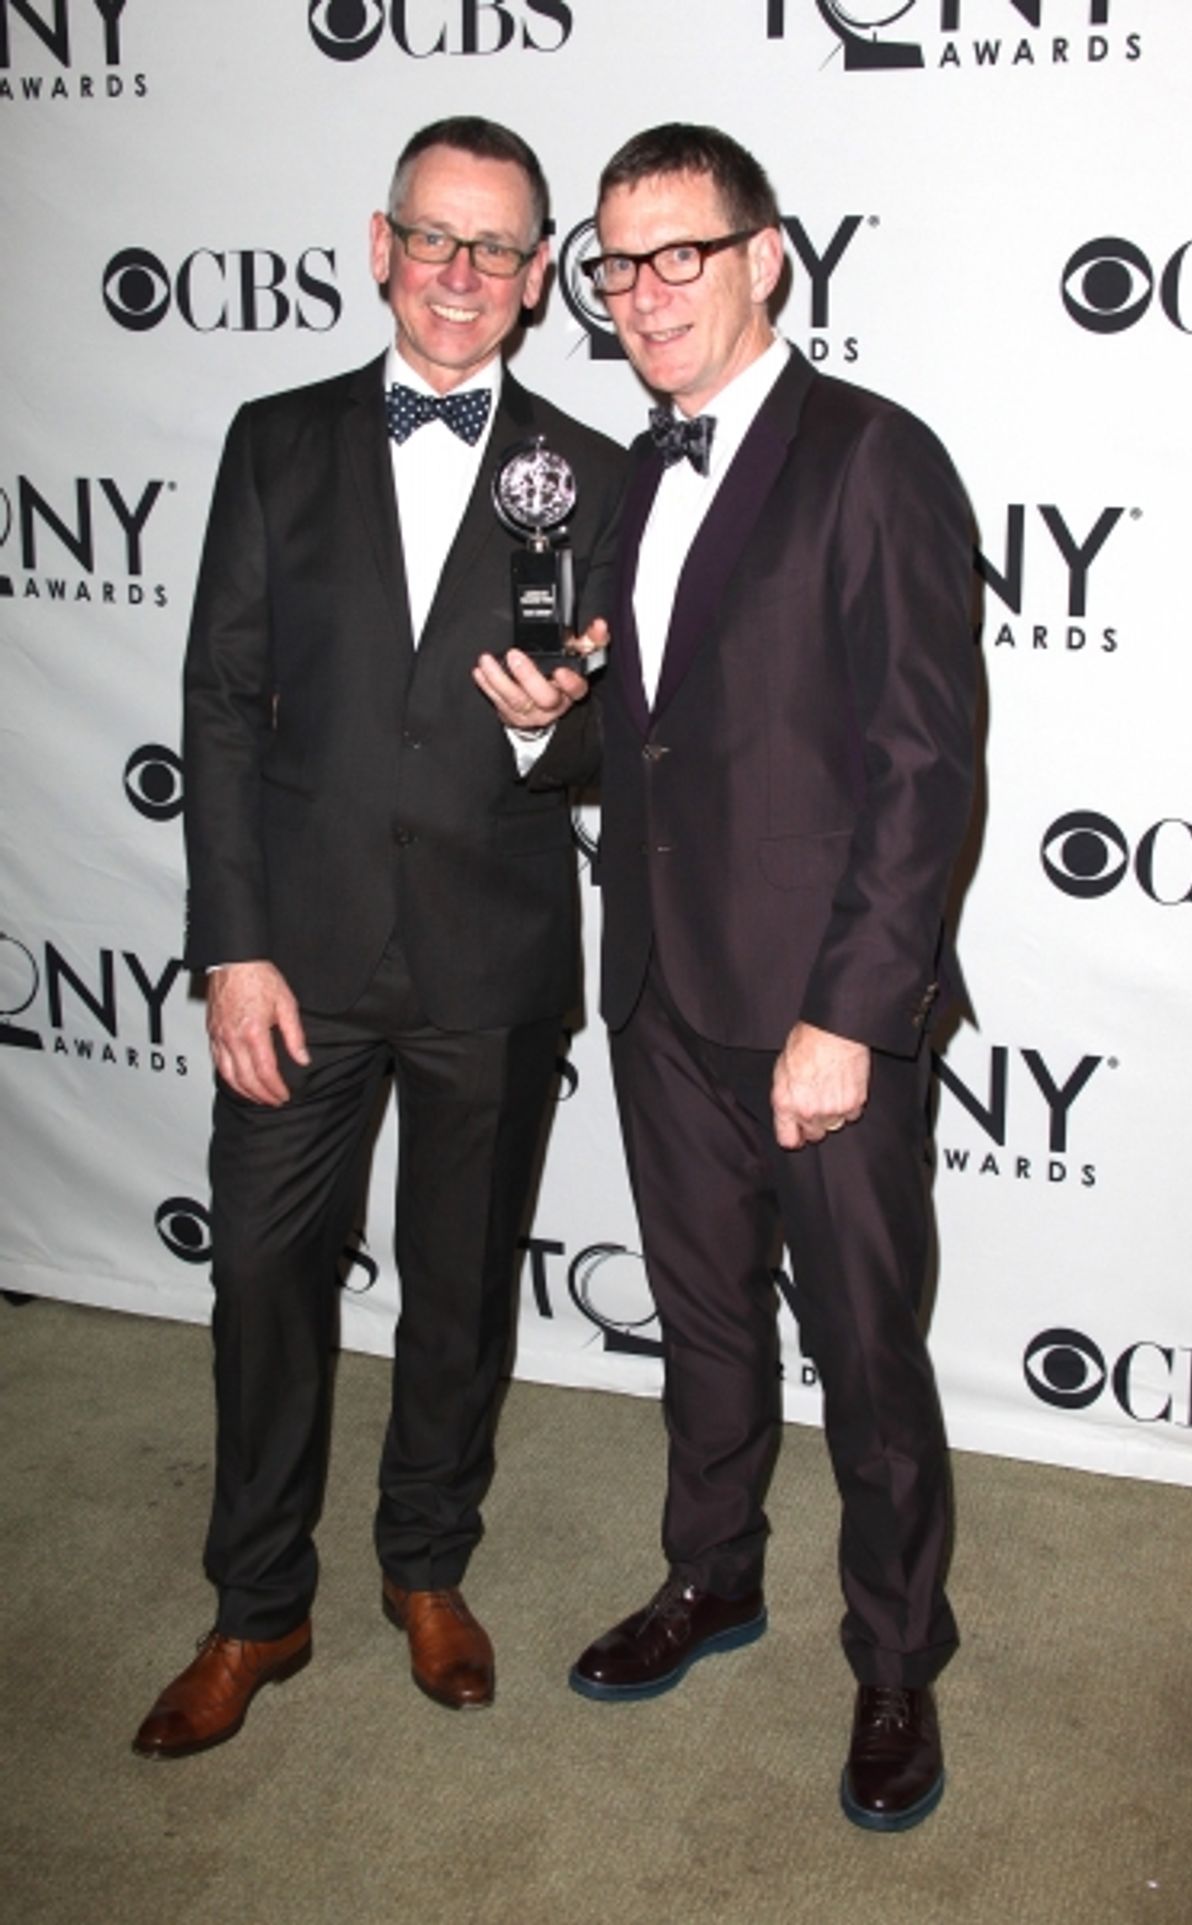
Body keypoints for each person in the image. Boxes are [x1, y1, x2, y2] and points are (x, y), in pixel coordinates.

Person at [474, 124, 977, 1832]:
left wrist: (849, 1012)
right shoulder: (634, 472)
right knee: (703, 1326)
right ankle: (715, 1575)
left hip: (823, 1013)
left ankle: (899, 1657)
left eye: (679, 254)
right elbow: (676, 736)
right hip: (668, 995)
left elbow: (922, 768)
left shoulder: (875, 459)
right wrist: (560, 734)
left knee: (865, 1347)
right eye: (617, 264)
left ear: (769, 256)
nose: (642, 294)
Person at [132, 117, 623, 1759]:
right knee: (265, 1280)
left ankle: (426, 1565)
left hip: (493, 959)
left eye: (499, 246)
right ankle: (258, 1603)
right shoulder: (275, 441)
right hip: (301, 958)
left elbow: (624, 746)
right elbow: (217, 705)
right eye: (437, 236)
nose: (464, 272)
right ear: (380, 242)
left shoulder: (590, 469)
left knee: (463, 1289)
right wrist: (233, 944)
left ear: (543, 272)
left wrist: (557, 729)